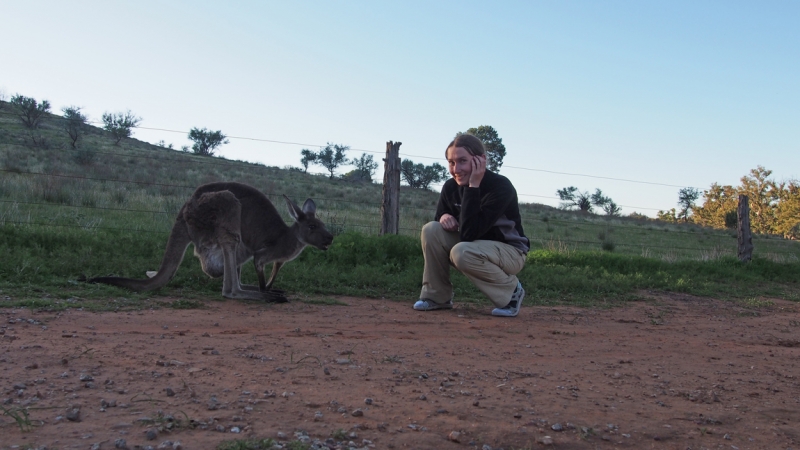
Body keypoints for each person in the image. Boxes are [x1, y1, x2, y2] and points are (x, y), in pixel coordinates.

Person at [413, 134, 529, 317]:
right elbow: (440, 221)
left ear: (480, 160)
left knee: (463, 251)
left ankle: (511, 292)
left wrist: (473, 186)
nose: (456, 169)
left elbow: (469, 234)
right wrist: (443, 216)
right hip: (474, 245)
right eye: (451, 162)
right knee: (431, 229)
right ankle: (436, 297)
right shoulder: (450, 187)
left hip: (510, 252)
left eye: (462, 161)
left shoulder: (500, 186)